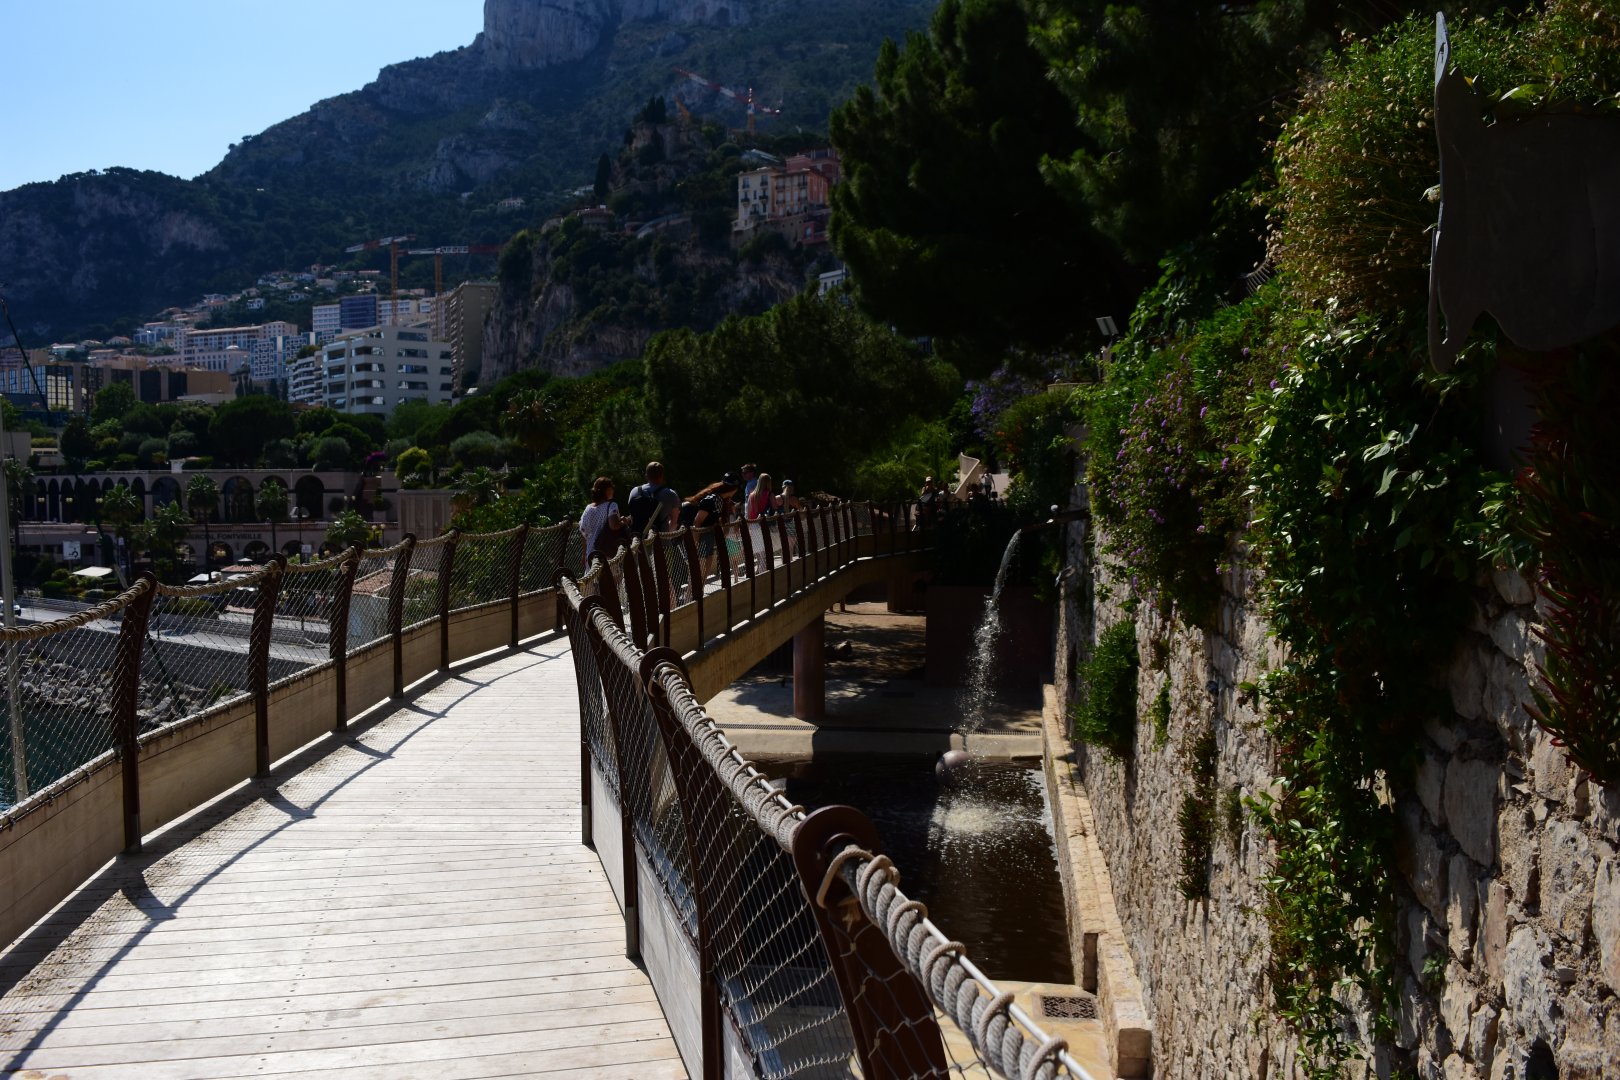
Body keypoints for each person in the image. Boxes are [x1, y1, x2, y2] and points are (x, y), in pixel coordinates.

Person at [678, 479, 737, 578]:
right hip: (695, 533)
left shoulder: (720, 500)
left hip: (706, 535)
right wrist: (696, 541)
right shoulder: (712, 500)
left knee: (707, 561)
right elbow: (698, 521)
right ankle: (692, 591)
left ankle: (700, 587)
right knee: (696, 566)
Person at [626, 461, 681, 538]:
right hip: (661, 542)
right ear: (662, 476)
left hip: (638, 541)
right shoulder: (671, 494)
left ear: (646, 476)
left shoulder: (635, 491)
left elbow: (632, 516)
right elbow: (674, 522)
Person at [578, 476, 624, 564]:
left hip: (591, 552)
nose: (613, 490)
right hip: (608, 551)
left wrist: (584, 555)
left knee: (594, 576)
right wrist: (624, 522)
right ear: (607, 490)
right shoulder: (611, 505)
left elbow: (583, 533)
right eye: (612, 488)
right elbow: (614, 526)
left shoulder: (588, 508)